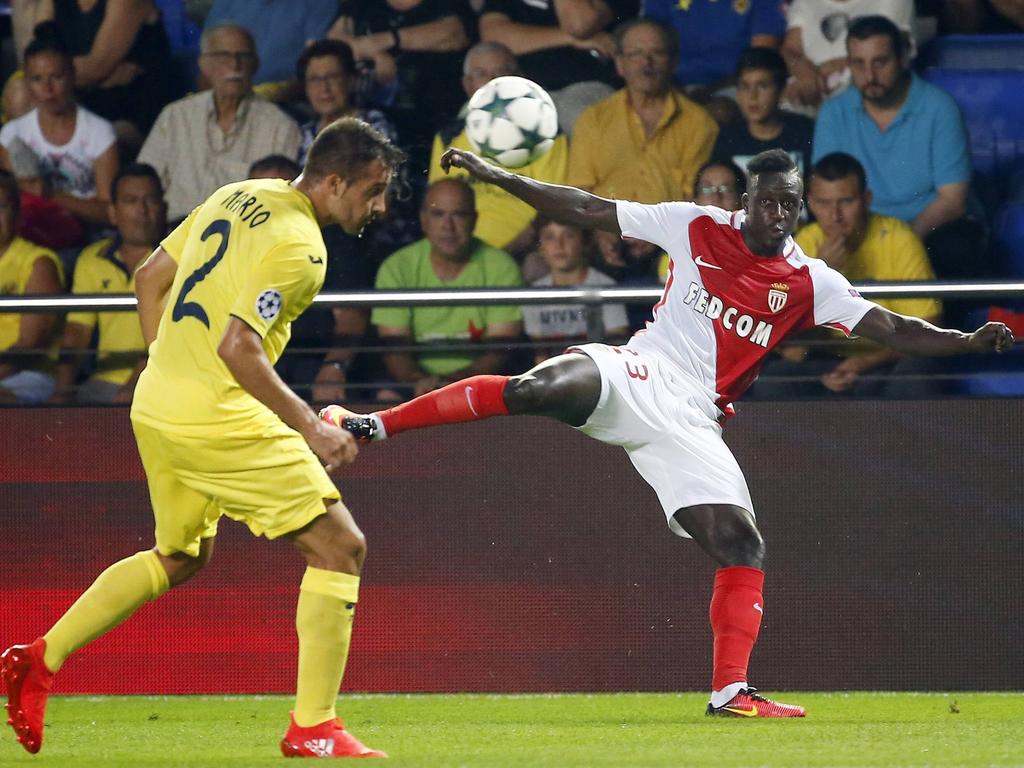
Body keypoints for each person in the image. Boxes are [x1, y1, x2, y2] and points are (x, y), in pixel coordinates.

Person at [322, 146, 1014, 718]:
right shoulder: (695, 225)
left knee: (741, 542)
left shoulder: (810, 280)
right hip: (640, 371)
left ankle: (730, 691)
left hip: (694, 420)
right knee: (540, 387)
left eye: (789, 205)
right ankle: (372, 424)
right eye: (767, 200)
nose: (778, 214)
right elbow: (590, 209)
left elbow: (890, 327)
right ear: (746, 201)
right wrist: (504, 179)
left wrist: (964, 340)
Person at [1, 117, 405, 758]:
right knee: (340, 547)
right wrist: (310, 427)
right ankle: (314, 726)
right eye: (374, 190)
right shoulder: (303, 250)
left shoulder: (238, 194)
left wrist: (169, 368)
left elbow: (148, 280)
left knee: (181, 554)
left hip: (155, 402)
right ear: (334, 182)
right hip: (215, 414)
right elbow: (239, 346)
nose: (379, 205)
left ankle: (39, 659)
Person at [754, 152, 944, 398]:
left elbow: (930, 330)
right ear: (809, 203)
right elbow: (794, 348)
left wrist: (866, 362)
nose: (835, 215)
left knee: (916, 374)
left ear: (866, 200)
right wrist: (822, 278)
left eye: (846, 201)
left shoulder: (899, 239)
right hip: (827, 358)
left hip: (885, 359)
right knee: (773, 381)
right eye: (823, 203)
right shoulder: (803, 245)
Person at [812, 15, 979, 279]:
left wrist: (901, 243)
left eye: (880, 62)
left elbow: (952, 201)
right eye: (859, 64)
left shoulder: (939, 108)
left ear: (902, 59)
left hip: (924, 230)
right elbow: (824, 190)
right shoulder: (834, 112)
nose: (870, 75)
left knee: (955, 247)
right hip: (857, 231)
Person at [372, 178, 523, 399]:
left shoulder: (502, 267)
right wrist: (420, 382)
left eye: (459, 215)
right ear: (423, 220)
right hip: (414, 385)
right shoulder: (397, 267)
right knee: (386, 395)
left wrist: (453, 385)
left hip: (480, 386)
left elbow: (497, 353)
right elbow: (395, 351)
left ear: (474, 220)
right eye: (438, 214)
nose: (448, 226)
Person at [137, 23, 302, 222]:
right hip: (172, 236)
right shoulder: (175, 117)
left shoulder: (280, 127)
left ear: (255, 65)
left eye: (243, 56)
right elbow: (143, 184)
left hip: (238, 241)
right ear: (204, 65)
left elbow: (278, 204)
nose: (234, 65)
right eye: (224, 56)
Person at [428, 41, 569, 257]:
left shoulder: (546, 134)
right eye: (482, 74)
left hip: (526, 251)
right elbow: (438, 206)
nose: (493, 83)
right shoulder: (448, 138)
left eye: (502, 73)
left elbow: (551, 207)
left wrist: (506, 254)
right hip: (459, 253)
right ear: (467, 84)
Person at [50, 162, 167, 404]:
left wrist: (135, 385)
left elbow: (170, 338)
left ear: (164, 208)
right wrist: (62, 390)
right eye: (131, 201)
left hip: (164, 382)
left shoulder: (181, 258)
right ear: (113, 212)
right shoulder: (92, 259)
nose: (142, 210)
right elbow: (77, 331)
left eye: (150, 201)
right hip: (101, 384)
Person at [0, 37, 118, 231]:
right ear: (26, 83)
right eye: (37, 79)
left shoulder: (99, 133)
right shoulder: (12, 135)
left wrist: (51, 195)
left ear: (72, 76)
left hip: (88, 234)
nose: (47, 89)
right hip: (33, 232)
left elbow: (109, 213)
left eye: (56, 77)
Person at [28, 0, 178, 142]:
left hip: (130, 108)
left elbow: (96, 68)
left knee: (101, 140)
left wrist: (61, 74)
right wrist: (104, 78)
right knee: (20, 94)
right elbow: (38, 61)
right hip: (76, 99)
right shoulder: (49, 3)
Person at [523, 215, 628, 364]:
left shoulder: (606, 287)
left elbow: (616, 342)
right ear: (540, 247)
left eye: (569, 236)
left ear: (584, 242)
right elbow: (540, 353)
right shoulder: (533, 294)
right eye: (550, 237)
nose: (559, 245)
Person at [0, 170, 65, 403]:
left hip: (27, 375)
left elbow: (31, 346)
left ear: (17, 214)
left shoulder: (38, 262)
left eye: (2, 207)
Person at [781, 0, 914, 109]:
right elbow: (790, 50)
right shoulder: (804, 3)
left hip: (866, 95)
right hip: (809, 93)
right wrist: (806, 74)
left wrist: (828, 68)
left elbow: (896, 53)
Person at [712, 48, 814, 181]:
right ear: (737, 92)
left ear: (781, 90)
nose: (752, 96)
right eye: (745, 87)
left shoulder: (803, 131)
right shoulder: (728, 139)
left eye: (763, 86)